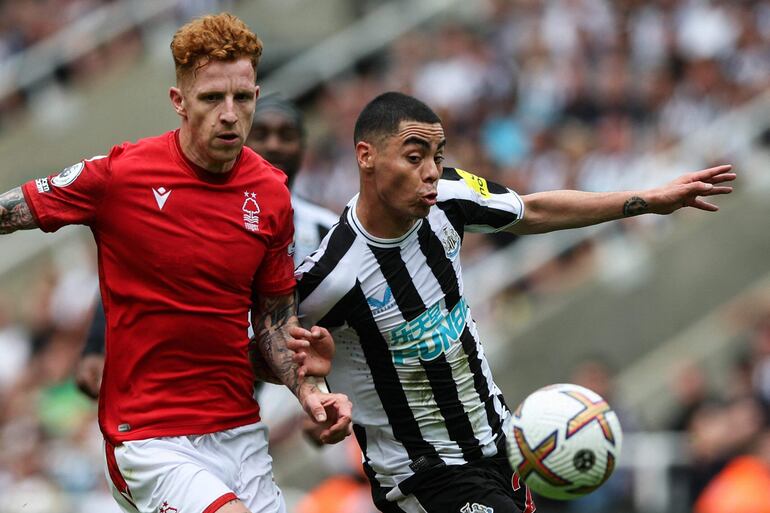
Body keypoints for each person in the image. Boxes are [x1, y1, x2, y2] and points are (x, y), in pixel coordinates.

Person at [295, 91, 735, 513]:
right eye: (415, 157)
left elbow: (533, 210)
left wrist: (645, 201)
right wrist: (312, 394)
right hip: (424, 474)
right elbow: (267, 345)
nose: (431, 170)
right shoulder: (331, 274)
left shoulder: (449, 196)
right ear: (366, 156)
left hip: (501, 446)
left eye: (438, 156)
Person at [0, 13, 351, 513]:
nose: (230, 114)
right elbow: (9, 211)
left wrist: (311, 391)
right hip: (149, 439)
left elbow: (275, 325)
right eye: (211, 98)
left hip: (239, 431)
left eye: (242, 97)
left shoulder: (271, 193)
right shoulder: (120, 175)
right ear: (179, 102)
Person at [74, 94, 339, 405]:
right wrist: (94, 347)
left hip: (290, 385)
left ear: (303, 147)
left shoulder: (328, 230)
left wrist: (325, 388)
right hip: (197, 384)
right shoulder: (194, 212)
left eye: (286, 135)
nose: (274, 145)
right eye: (262, 134)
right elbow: (133, 270)